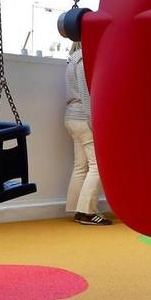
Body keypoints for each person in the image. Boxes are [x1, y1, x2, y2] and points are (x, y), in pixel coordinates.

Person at [63, 42, 110, 225]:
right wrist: (94, 124)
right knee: (97, 166)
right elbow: (85, 95)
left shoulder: (72, 59)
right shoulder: (83, 60)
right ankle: (87, 212)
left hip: (71, 117)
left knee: (81, 166)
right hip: (83, 119)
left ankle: (77, 208)